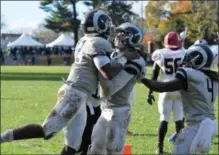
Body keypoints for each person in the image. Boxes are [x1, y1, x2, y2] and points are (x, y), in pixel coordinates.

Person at [0, 10, 139, 155]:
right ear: (100, 26)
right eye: (108, 25)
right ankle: (2, 137)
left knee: (72, 146)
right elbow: (107, 71)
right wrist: (124, 59)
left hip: (79, 95)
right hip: (74, 95)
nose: (110, 29)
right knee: (47, 130)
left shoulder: (84, 40)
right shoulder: (99, 42)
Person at [141, 44, 218, 154]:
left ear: (197, 60)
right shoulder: (213, 78)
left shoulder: (191, 75)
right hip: (210, 126)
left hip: (197, 127)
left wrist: (142, 78)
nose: (185, 61)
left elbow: (161, 87)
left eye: (189, 58)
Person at [88, 22, 146, 154]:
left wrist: (100, 69)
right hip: (105, 109)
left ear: (131, 38)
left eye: (122, 34)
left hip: (119, 111)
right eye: (118, 33)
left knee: (112, 151)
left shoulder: (136, 60)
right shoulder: (114, 54)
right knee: (95, 150)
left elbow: (112, 88)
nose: (117, 36)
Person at [147, 31, 185, 154]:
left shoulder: (160, 54)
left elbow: (154, 74)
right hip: (179, 89)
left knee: (164, 118)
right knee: (179, 120)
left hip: (165, 88)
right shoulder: (184, 53)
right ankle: (180, 147)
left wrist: (150, 91)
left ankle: (160, 147)